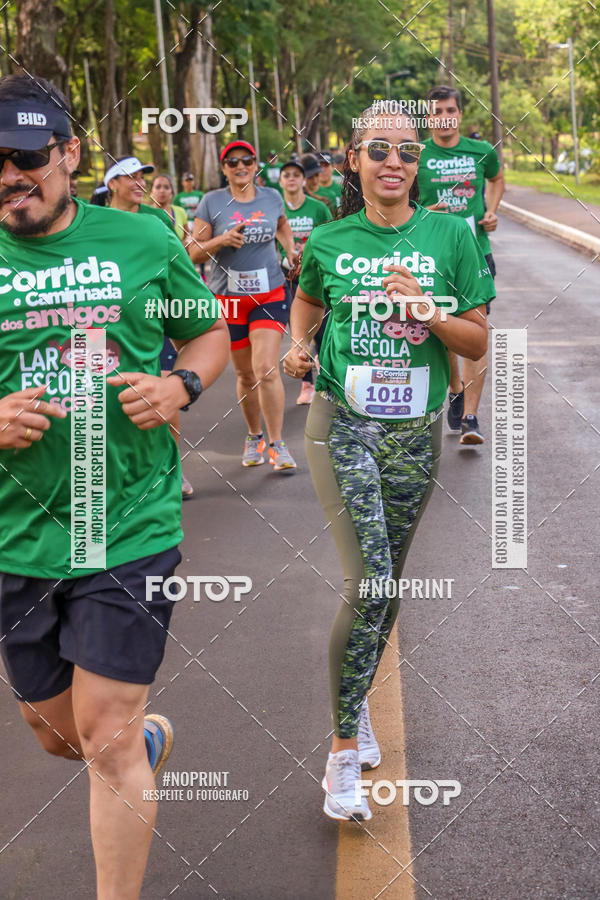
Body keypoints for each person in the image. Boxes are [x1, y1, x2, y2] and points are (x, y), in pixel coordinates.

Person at [0, 74, 229, 897]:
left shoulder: (138, 241)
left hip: (124, 519)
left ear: (67, 154)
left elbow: (206, 334)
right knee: (54, 730)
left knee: (103, 738)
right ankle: (140, 742)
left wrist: (182, 389)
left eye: (24, 154)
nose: (8, 175)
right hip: (13, 538)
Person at [284, 102, 494, 821]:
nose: (393, 162)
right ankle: (343, 751)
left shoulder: (451, 236)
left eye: (405, 151)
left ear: (420, 163)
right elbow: (306, 298)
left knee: (388, 585)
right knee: (368, 575)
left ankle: (357, 700)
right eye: (378, 149)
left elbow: (475, 344)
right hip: (339, 422)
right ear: (354, 161)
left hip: (414, 431)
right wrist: (300, 344)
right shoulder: (332, 239)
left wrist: (430, 311)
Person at [189, 140, 299, 472]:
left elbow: (282, 226)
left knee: (266, 367)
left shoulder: (271, 198)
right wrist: (220, 241)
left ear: (255, 165)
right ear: (224, 169)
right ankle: (254, 436)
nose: (241, 166)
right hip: (229, 298)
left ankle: (278, 444)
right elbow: (192, 252)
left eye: (247, 160)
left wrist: (290, 251)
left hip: (269, 293)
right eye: (232, 162)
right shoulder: (212, 202)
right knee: (245, 372)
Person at [418, 85, 504, 444]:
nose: (444, 117)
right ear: (428, 117)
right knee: (444, 329)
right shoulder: (416, 154)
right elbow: (399, 199)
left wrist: (492, 210)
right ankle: (454, 385)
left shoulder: (481, 151)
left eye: (449, 110)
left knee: (475, 332)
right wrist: (425, 214)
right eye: (436, 112)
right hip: (432, 254)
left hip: (475, 252)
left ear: (460, 114)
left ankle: (470, 416)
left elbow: (496, 179)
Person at [107, 159, 193, 498]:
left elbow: (175, 266)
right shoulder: (94, 221)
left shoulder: (157, 218)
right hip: (114, 323)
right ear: (112, 184)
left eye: (142, 176)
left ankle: (173, 471)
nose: (139, 182)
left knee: (164, 387)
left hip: (158, 314)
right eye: (131, 177)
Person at [278, 158, 332, 405]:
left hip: (316, 274)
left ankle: (327, 377)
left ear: (302, 180)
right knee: (298, 330)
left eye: (295, 174)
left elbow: (330, 239)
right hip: (287, 275)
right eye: (286, 174)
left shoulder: (318, 208)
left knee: (319, 327)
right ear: (280, 180)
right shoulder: (277, 211)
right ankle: (307, 384)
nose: (291, 178)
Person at [150, 173, 189, 242]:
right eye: (158, 187)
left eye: (166, 187)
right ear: (151, 191)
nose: (162, 191)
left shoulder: (180, 211)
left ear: (171, 192)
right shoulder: (146, 213)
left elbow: (187, 235)